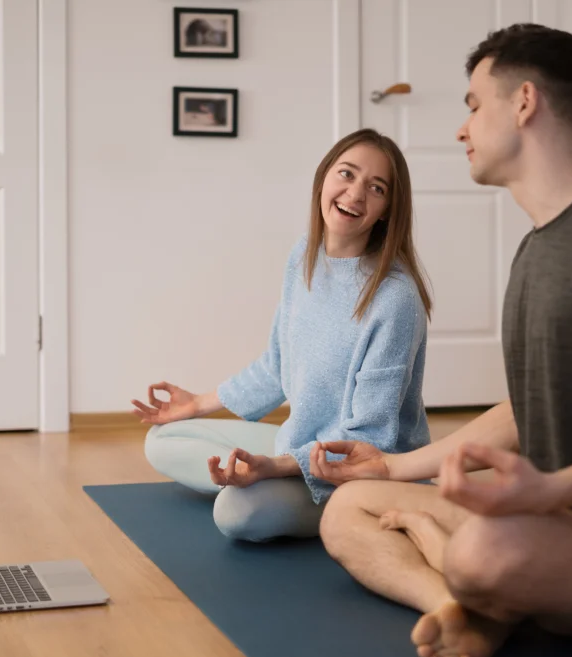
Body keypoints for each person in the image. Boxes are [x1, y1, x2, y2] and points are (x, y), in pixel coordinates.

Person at [310, 24, 572, 657]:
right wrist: (393, 469)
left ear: (525, 102)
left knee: (487, 551)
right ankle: (460, 607)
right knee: (346, 508)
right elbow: (524, 410)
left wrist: (542, 491)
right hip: (552, 519)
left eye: (474, 105)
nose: (462, 128)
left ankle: (471, 579)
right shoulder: (537, 249)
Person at [132, 128, 434, 543]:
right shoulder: (304, 257)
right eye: (346, 174)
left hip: (359, 476)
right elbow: (278, 365)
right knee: (163, 440)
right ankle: (258, 479)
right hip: (299, 449)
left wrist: (273, 468)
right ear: (324, 178)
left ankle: (270, 489)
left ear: (386, 209)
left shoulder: (394, 299)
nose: (355, 194)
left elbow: (370, 441)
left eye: (376, 187)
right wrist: (197, 404)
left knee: (236, 513)